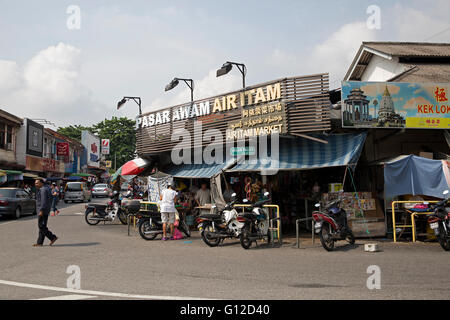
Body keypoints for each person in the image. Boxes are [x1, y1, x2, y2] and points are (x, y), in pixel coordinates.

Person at [33, 178, 58, 247]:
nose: (36, 185)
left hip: (43, 211)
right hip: (45, 210)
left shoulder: (43, 190)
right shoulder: (46, 188)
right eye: (35, 183)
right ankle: (40, 242)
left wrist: (41, 210)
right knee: (42, 226)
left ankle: (52, 237)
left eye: (37, 183)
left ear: (41, 183)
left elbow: (43, 201)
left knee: (41, 226)